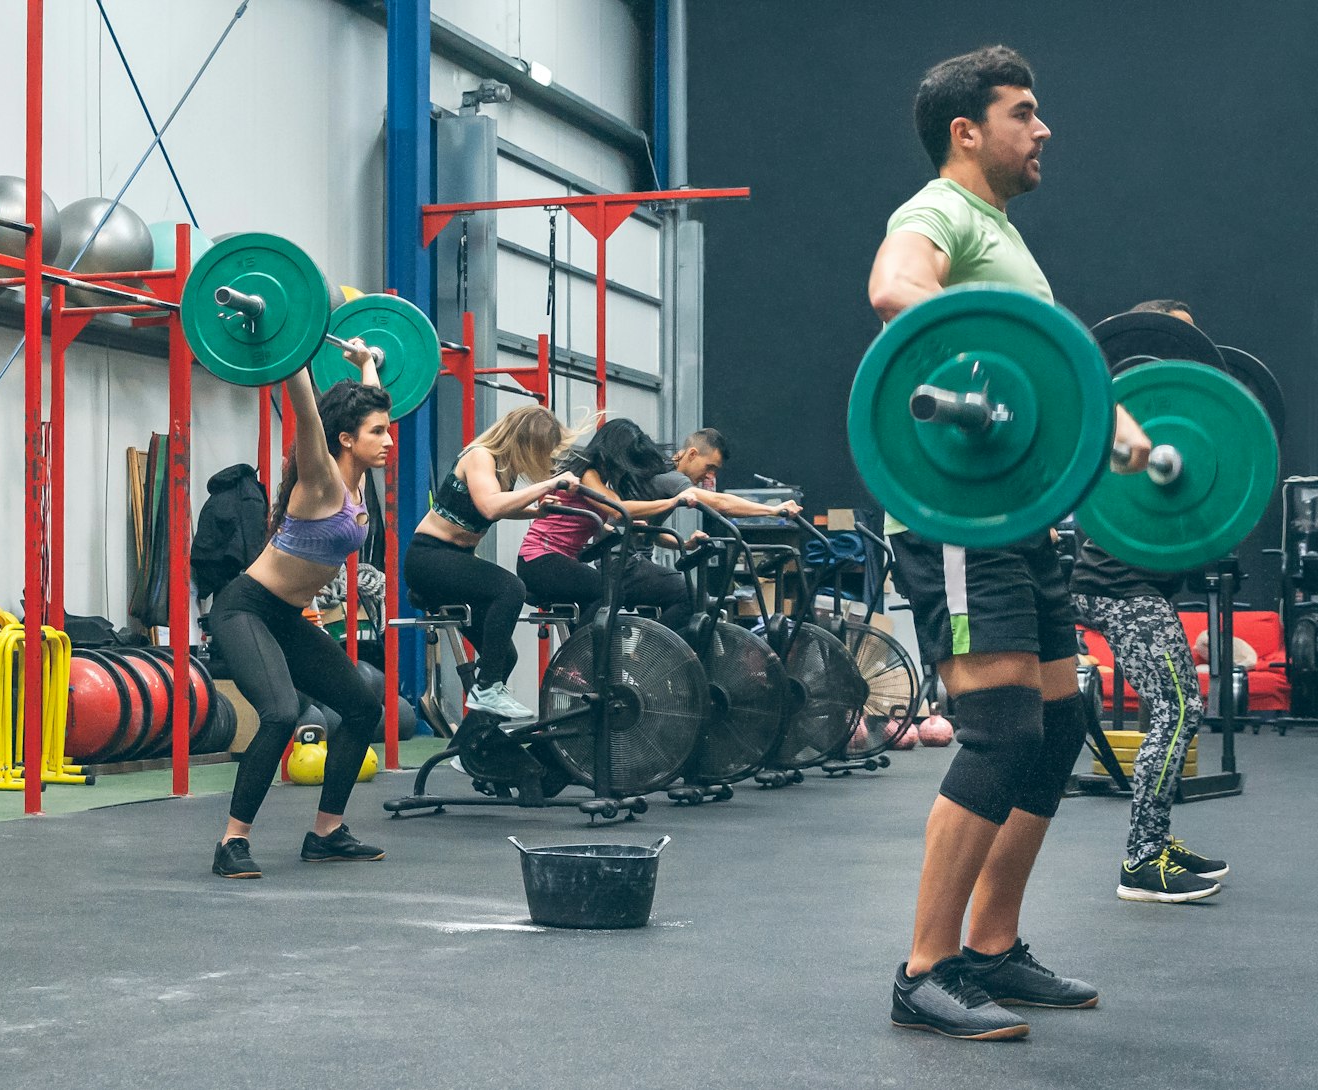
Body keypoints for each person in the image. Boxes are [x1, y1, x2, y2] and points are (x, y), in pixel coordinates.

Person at [865, 47, 1156, 1042]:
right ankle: (924, 969)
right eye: (1021, 114)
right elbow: (892, 288)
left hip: (1020, 520)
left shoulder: (1000, 235)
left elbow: (1042, 369)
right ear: (966, 131)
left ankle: (990, 945)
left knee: (1057, 724)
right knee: (996, 732)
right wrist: (982, 378)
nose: (1041, 131)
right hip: (955, 518)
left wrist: (1100, 420)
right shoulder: (937, 213)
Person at [212, 342, 390, 880]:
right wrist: (295, 352)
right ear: (344, 439)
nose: (387, 438)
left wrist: (365, 364)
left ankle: (327, 833)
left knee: (362, 707)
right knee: (280, 713)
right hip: (246, 609)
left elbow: (374, 401)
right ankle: (232, 843)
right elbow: (307, 410)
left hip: (288, 619)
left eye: (385, 428)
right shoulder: (320, 480)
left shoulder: (358, 482)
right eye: (377, 432)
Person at [1072, 299, 1226, 904]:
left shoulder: (1173, 433)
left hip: (1133, 586)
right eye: (1176, 338)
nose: (1188, 353)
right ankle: (1142, 859)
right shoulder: (1122, 427)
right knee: (1181, 706)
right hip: (1116, 587)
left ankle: (1156, 839)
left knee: (1177, 706)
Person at [517, 421, 800, 626]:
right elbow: (619, 509)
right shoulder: (665, 478)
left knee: (675, 596)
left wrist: (680, 541)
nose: (709, 475)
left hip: (596, 559)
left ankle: (640, 653)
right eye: (709, 467)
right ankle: (638, 654)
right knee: (684, 597)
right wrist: (774, 510)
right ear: (691, 454)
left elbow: (625, 522)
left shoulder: (611, 478)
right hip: (566, 559)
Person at [402, 405, 579, 720]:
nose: (544, 460)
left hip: (455, 559)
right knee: (510, 587)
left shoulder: (505, 468)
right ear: (525, 442)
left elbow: (495, 505)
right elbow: (489, 507)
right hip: (429, 558)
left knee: (503, 657)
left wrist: (534, 512)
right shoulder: (481, 455)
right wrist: (548, 485)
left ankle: (468, 747)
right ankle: (486, 689)